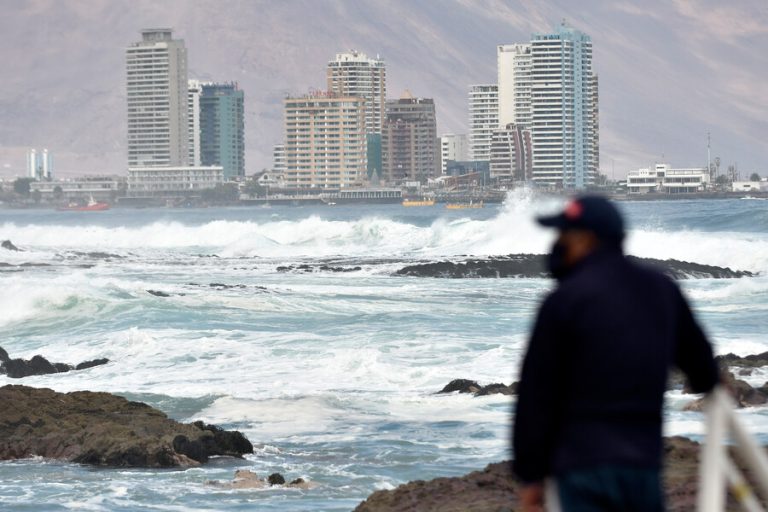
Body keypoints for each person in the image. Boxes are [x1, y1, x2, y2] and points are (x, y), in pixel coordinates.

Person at [512, 195, 719, 511]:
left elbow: (535, 397)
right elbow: (703, 371)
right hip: (643, 465)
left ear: (585, 239)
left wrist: (531, 477)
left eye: (564, 234)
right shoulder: (661, 289)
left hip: (583, 466)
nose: (557, 243)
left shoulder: (564, 300)